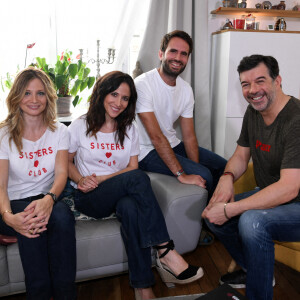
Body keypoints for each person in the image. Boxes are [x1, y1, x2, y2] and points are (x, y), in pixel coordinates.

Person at [67, 71, 203, 300]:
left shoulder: (129, 128)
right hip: (90, 197)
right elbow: (65, 162)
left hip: (118, 193)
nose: (118, 103)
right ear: (101, 93)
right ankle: (166, 250)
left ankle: (143, 287)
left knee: (131, 207)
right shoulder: (80, 125)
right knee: (140, 178)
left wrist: (103, 178)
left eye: (125, 98)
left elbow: (131, 167)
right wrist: (81, 179)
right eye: (114, 94)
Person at [202, 55, 300, 300]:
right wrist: (226, 177)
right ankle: (254, 271)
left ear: (277, 81)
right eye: (246, 84)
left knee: (251, 221)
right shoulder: (255, 110)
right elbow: (240, 155)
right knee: (214, 216)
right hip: (275, 196)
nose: (253, 90)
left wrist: (231, 209)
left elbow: (289, 188)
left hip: (295, 200)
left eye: (260, 81)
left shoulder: (296, 121)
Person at [0, 67, 76, 300]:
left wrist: (49, 199)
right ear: (16, 97)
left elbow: (62, 173)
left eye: (40, 93)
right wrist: (8, 217)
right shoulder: (3, 134)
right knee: (29, 220)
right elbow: (1, 187)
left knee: (62, 216)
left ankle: (65, 296)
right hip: (14, 202)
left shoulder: (60, 132)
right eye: (27, 93)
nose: (34, 100)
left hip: (48, 195)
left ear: (49, 97)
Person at [135, 30, 226, 198]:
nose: (178, 58)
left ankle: (214, 214)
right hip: (145, 151)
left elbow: (189, 136)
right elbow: (155, 137)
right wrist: (182, 175)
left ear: (187, 59)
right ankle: (207, 219)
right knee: (205, 175)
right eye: (173, 51)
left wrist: (195, 167)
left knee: (224, 167)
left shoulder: (185, 90)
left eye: (184, 54)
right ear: (161, 54)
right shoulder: (143, 84)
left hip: (172, 143)